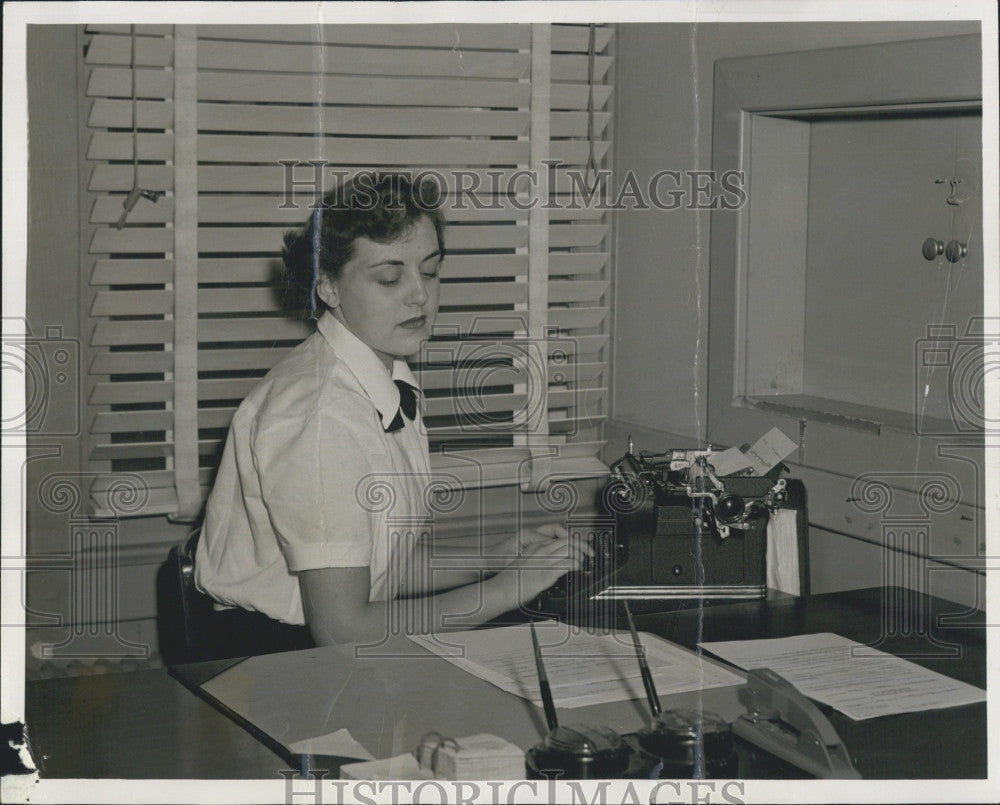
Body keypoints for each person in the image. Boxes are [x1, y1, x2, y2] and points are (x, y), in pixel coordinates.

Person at [195, 172, 590, 646]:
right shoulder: (321, 417)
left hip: (317, 646)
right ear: (329, 288)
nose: (420, 294)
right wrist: (509, 589)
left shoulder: (380, 375)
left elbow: (378, 570)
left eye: (429, 270)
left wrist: (494, 557)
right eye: (389, 277)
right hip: (269, 657)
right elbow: (343, 627)